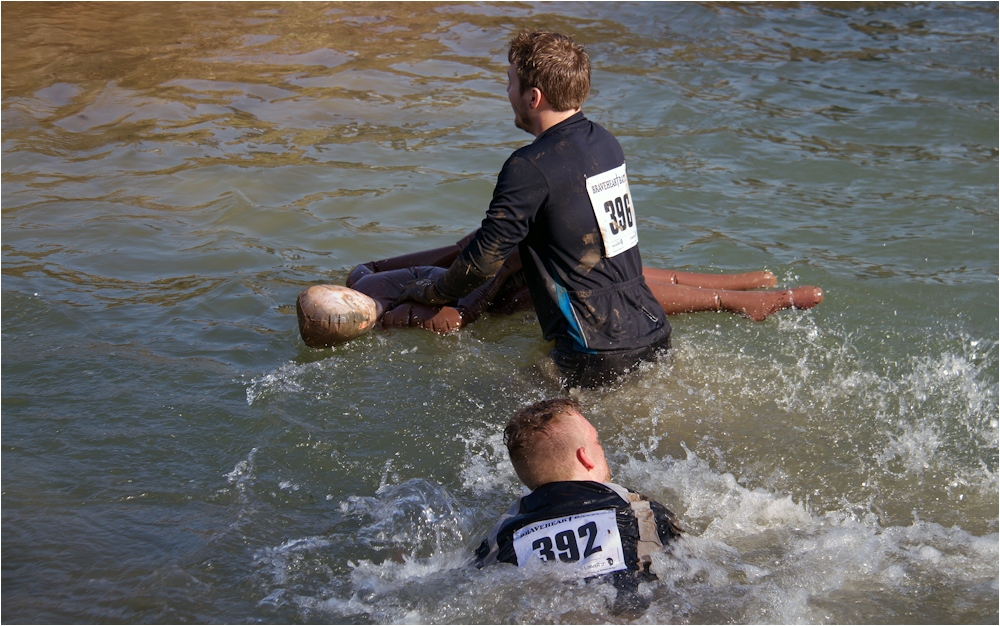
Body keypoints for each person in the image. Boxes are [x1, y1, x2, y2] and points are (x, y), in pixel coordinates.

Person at [388, 31, 698, 387]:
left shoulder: (529, 167)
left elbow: (483, 262)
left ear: (533, 97)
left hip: (593, 354)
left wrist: (431, 291)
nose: (506, 93)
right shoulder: (606, 144)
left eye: (510, 83)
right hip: (652, 332)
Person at [296, 229, 824, 348]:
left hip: (487, 275)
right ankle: (733, 298)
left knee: (606, 276)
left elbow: (396, 262)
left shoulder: (365, 277)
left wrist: (467, 251)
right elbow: (456, 321)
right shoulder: (387, 314)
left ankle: (730, 289)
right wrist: (496, 273)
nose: (353, 303)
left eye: (339, 298)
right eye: (345, 313)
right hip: (500, 293)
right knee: (602, 284)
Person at [474, 398, 682, 614]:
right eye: (597, 442)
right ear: (585, 457)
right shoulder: (636, 507)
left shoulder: (503, 533)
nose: (602, 449)